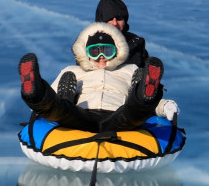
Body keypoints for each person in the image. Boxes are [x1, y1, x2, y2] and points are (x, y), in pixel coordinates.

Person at [18, 22, 178, 133]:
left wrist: (165, 106)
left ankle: (146, 97)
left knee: (135, 111)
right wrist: (39, 104)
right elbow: (53, 97)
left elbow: (147, 108)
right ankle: (34, 94)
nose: (101, 57)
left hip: (117, 113)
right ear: (86, 54)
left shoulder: (129, 70)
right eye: (95, 52)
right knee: (62, 109)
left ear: (116, 51)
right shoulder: (73, 70)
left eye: (107, 51)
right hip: (82, 114)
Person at [95, 0, 149, 68]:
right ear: (101, 21)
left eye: (119, 18)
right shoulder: (88, 44)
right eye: (110, 19)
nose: (115, 23)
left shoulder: (136, 43)